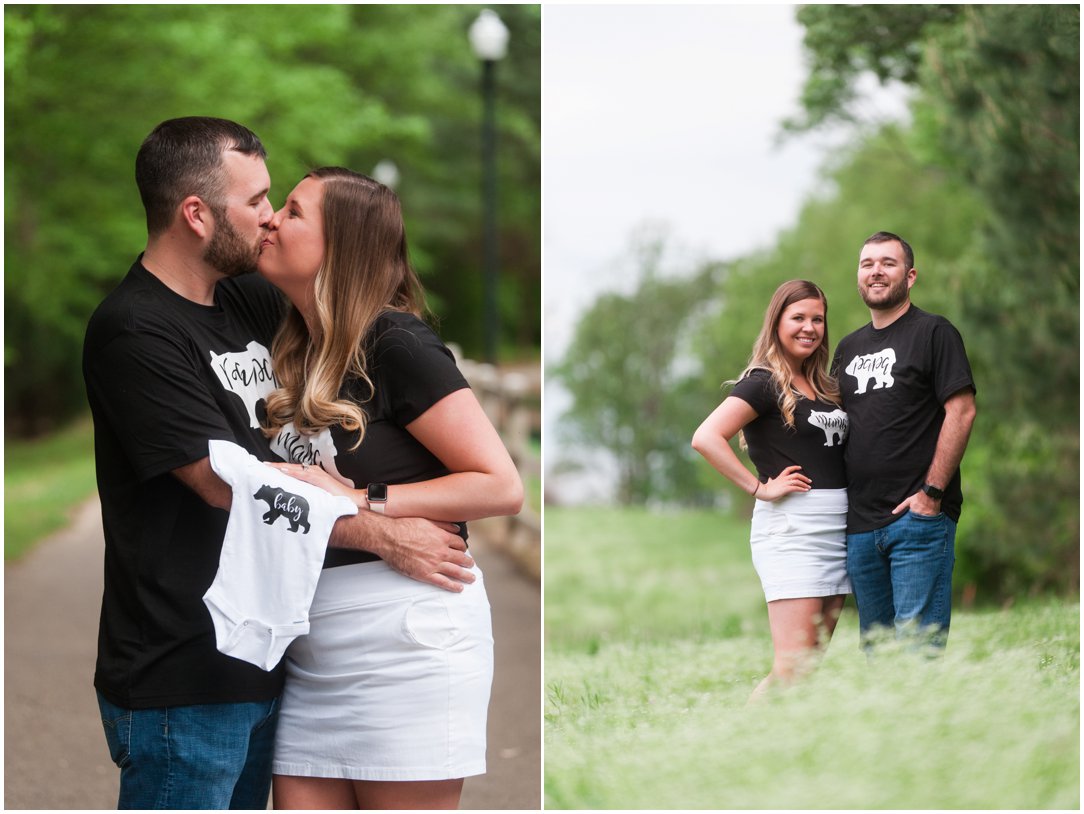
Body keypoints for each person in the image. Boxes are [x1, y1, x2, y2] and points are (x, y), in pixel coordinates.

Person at [82, 118, 474, 810]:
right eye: (257, 200)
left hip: (268, 659)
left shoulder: (246, 300)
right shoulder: (135, 330)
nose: (269, 217)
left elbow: (341, 315)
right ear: (197, 215)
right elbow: (222, 484)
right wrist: (383, 531)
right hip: (183, 674)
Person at [253, 167, 523, 810]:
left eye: (293, 211)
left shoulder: (395, 341)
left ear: (341, 246)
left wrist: (360, 500)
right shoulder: (300, 350)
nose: (271, 218)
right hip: (310, 648)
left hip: (407, 639)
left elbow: (501, 485)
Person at [692, 280, 850, 700]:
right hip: (792, 533)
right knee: (791, 668)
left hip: (836, 532)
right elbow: (706, 437)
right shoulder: (763, 382)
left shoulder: (825, 385)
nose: (809, 327)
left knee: (808, 668)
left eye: (817, 319)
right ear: (777, 322)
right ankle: (741, 737)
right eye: (798, 318)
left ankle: (781, 739)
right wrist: (759, 487)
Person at [831, 231, 977, 652]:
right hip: (860, 526)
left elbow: (962, 411)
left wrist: (931, 494)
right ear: (859, 276)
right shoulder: (848, 347)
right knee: (878, 654)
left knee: (917, 653)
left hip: (917, 519)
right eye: (867, 264)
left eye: (888, 263)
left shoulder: (934, 332)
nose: (876, 271)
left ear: (910, 276)